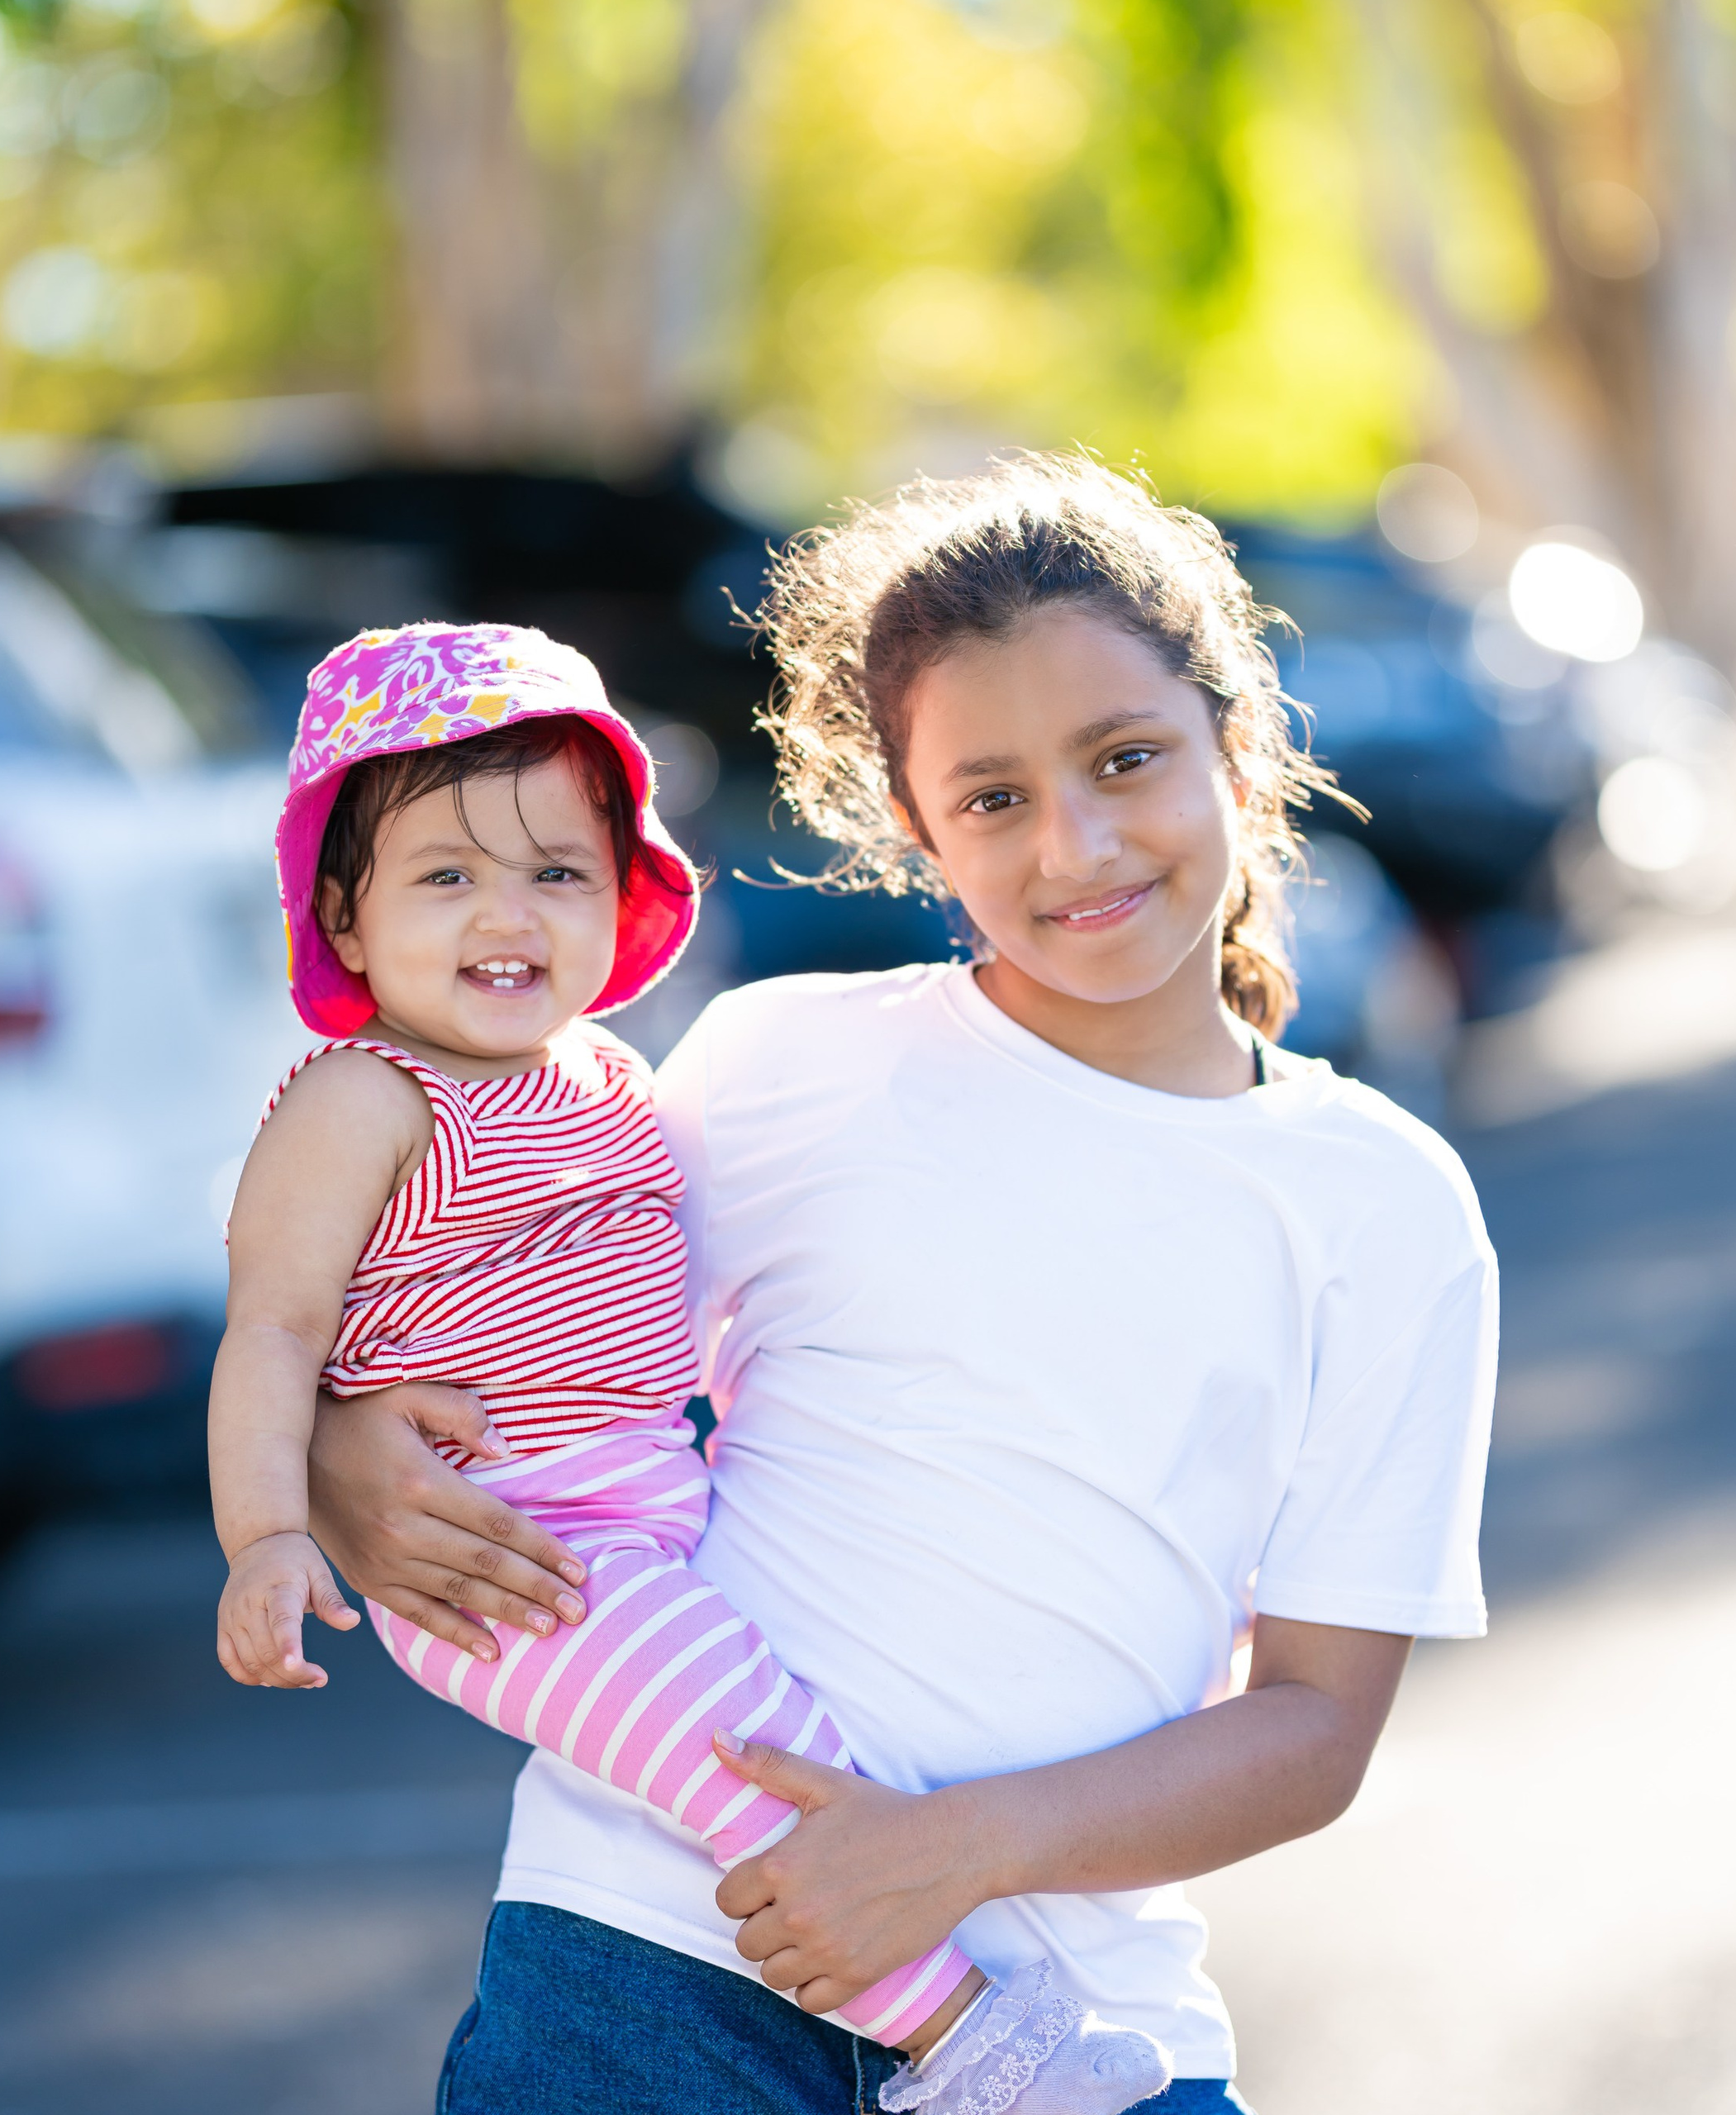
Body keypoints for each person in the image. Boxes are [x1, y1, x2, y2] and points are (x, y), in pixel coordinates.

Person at [305, 455, 1499, 2115]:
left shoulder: (1383, 1202)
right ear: (914, 827)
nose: (1076, 840)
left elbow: (1312, 1728)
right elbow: (485, 1337)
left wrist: (952, 1850)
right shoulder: (782, 1067)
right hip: (651, 1954)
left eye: (1126, 758)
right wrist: (340, 1448)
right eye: (991, 796)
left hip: (1076, 2025)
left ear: (1236, 746)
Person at [209, 619, 1172, 2115]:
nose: (506, 915)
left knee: (761, 1733)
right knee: (747, 1753)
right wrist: (272, 1530)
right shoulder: (366, 1097)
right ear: (344, 916)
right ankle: (970, 2040)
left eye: (557, 873)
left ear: (623, 893)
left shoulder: (611, 1077)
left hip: (654, 1514)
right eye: (446, 877)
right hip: (516, 1552)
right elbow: (272, 1327)